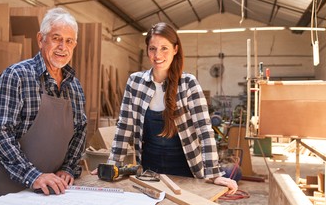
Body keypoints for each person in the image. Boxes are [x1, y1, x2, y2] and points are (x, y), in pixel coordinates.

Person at [93, 22, 238, 194]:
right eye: (152, 48)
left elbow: (205, 132)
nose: (157, 54)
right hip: (149, 171)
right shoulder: (135, 82)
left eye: (164, 48)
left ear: (175, 49)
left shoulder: (188, 84)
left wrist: (214, 173)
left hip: (186, 170)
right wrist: (112, 165)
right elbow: (124, 127)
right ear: (147, 50)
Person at [0, 7, 87, 198]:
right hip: (12, 189)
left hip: (54, 190)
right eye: (56, 38)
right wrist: (34, 176)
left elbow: (80, 131)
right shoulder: (16, 76)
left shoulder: (74, 87)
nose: (62, 47)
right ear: (41, 39)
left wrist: (68, 168)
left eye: (69, 41)